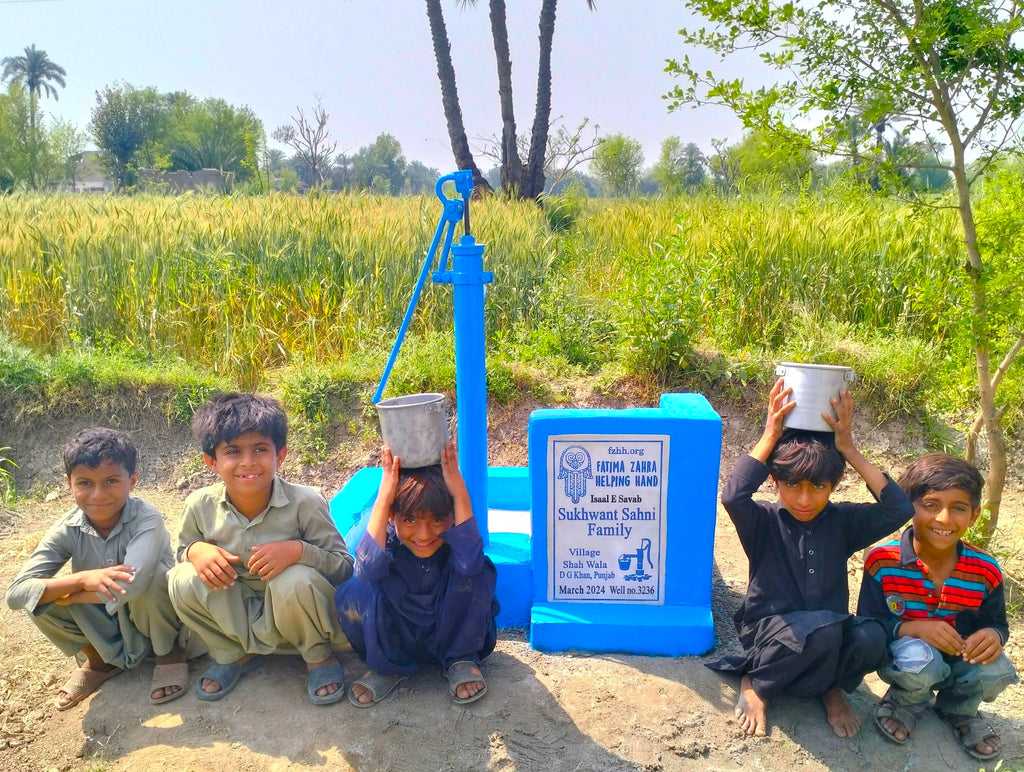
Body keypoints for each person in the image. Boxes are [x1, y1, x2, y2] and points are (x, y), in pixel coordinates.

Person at [707, 377, 914, 738]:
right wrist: (771, 433)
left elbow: (899, 508)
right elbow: (733, 496)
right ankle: (757, 683)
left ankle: (830, 688)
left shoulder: (843, 521)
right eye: (793, 486)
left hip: (828, 632)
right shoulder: (763, 521)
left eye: (818, 487)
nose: (805, 500)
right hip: (771, 636)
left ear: (834, 486)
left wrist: (848, 449)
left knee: (871, 637)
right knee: (824, 633)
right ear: (775, 482)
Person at [167, 393, 353, 705]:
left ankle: (317, 656)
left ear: (280, 455)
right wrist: (195, 551)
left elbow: (343, 566)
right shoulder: (199, 505)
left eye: (260, 449)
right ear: (211, 461)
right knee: (182, 578)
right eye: (233, 451)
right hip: (237, 615)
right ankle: (235, 653)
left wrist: (297, 551)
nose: (248, 462)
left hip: (297, 614)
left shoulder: (305, 502)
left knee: (293, 579)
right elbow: (182, 550)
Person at [6, 428, 189, 709]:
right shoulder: (67, 528)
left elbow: (132, 584)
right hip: (102, 615)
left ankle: (168, 653)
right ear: (69, 483)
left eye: (111, 481)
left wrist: (72, 595)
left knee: (152, 581)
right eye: (85, 483)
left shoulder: (147, 519)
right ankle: (99, 661)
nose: (98, 494)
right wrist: (81, 579)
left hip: (151, 613)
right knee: (36, 598)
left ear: (133, 481)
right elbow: (16, 594)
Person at [858, 453, 1018, 761]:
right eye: (931, 505)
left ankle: (959, 709)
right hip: (909, 659)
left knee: (998, 669)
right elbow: (868, 625)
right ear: (908, 508)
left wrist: (993, 636)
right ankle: (906, 702)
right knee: (920, 661)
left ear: (974, 515)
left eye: (958, 508)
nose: (944, 518)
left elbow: (998, 624)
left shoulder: (986, 570)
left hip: (960, 659)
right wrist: (913, 628)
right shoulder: (883, 561)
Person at [334, 442, 499, 707]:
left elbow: (470, 564)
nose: (424, 535)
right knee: (356, 589)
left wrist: (459, 492)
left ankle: (461, 660)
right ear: (392, 516)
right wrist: (385, 496)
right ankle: (389, 667)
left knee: (478, 570)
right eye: (410, 520)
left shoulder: (457, 544)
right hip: (400, 639)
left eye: (437, 520)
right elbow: (365, 570)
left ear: (451, 517)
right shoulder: (388, 540)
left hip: (451, 637)